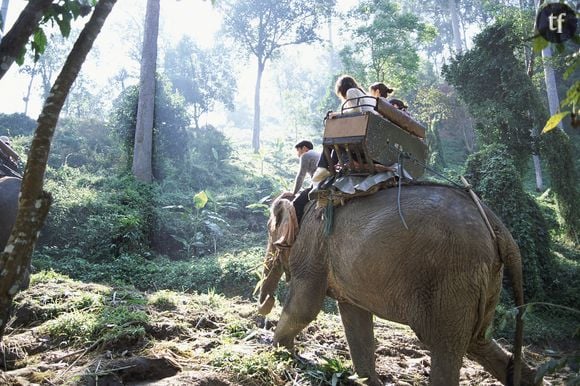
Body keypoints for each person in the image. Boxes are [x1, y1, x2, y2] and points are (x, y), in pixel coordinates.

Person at [291, 140, 320, 223]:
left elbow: (301, 176)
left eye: (298, 150)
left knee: (297, 203)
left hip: (319, 184)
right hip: (326, 181)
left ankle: (298, 228)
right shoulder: (317, 154)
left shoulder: (306, 155)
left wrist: (294, 193)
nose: (297, 154)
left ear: (304, 148)